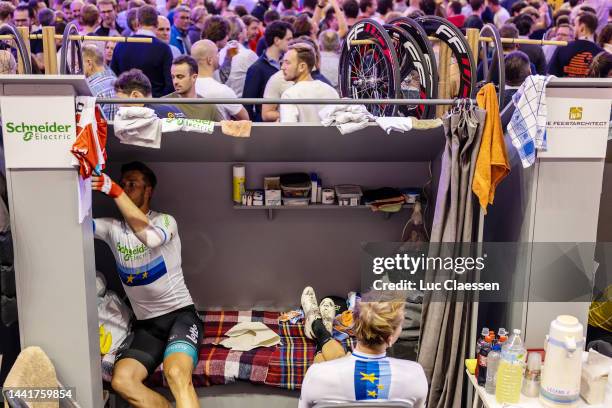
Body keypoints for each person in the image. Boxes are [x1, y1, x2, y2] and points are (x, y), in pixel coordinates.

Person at [92, 161, 202, 408]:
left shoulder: (165, 222)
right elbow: (76, 225)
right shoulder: (112, 229)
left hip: (180, 317)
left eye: (132, 184)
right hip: (147, 327)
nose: (125, 187)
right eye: (123, 184)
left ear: (148, 190)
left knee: (176, 374)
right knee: (121, 381)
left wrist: (116, 191)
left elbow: (151, 239)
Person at [298, 290, 428, 408]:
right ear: (390, 337)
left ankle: (319, 329)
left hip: (332, 370)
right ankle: (320, 329)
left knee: (334, 360)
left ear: (354, 325)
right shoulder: (415, 375)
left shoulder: (316, 374)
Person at [111, 5, 174, 97]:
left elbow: (113, 78)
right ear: (156, 23)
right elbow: (170, 84)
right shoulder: (163, 48)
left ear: (138, 23)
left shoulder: (121, 45)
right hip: (154, 104)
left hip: (126, 102)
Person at [243, 21, 293, 121]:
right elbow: (247, 105)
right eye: (288, 39)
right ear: (277, 40)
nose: (292, 42)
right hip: (265, 126)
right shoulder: (256, 69)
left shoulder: (288, 64)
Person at [280, 43, 339, 123]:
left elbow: (288, 131)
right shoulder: (331, 91)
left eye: (287, 63)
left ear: (302, 67)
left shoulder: (289, 95)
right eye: (282, 62)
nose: (282, 67)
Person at [191, 39, 249, 120]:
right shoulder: (223, 91)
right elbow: (245, 118)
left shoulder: (186, 88)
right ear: (210, 60)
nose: (219, 56)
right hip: (219, 132)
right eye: (217, 53)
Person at [115, 68, 187, 119]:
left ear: (136, 96)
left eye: (119, 100)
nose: (118, 107)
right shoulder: (174, 108)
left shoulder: (142, 119)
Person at [547, 12, 603, 77]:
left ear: (582, 28)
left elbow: (550, 76)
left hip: (564, 86)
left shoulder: (562, 49)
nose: (573, 28)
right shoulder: (602, 54)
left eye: (575, 25)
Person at [165, 55, 220, 121]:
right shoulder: (163, 104)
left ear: (194, 77)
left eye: (180, 77)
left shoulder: (209, 107)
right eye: (173, 77)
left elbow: (223, 129)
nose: (175, 82)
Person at [83, 43, 118, 120]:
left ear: (89, 63)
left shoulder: (90, 91)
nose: (77, 68)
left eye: (78, 63)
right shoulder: (117, 82)